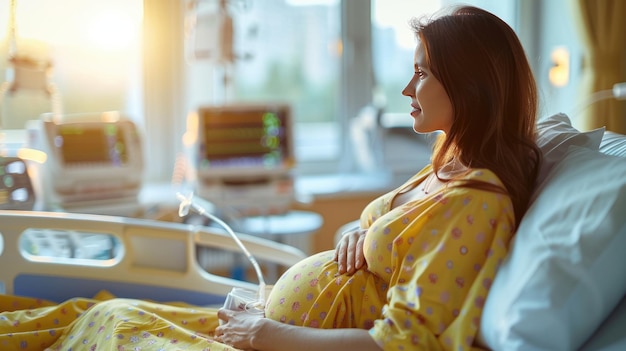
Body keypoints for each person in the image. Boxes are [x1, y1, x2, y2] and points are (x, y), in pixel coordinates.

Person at [0, 4, 540, 351]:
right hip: (265, 328)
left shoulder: (477, 206)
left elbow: (404, 342)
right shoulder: (447, 168)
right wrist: (356, 230)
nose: (406, 88)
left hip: (275, 338)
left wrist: (267, 332)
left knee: (116, 324)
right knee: (97, 310)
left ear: (471, 86)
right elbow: (396, 247)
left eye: (420, 72)